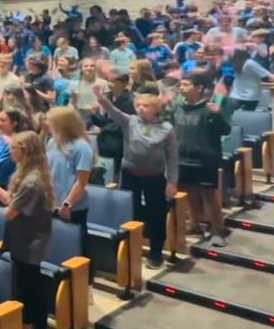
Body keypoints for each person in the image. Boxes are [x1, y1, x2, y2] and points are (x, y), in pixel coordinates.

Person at [0, 131, 54, 329]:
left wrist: (6, 202)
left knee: (33, 291)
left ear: (26, 151)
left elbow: (10, 211)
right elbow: (11, 201)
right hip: (21, 241)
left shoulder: (32, 181)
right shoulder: (24, 173)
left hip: (31, 243)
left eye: (14, 148)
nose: (10, 151)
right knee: (23, 289)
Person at [95, 89, 177, 268]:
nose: (141, 108)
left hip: (155, 176)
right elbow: (114, 112)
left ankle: (156, 252)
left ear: (156, 109)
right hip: (130, 174)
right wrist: (101, 99)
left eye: (146, 106)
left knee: (156, 214)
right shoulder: (130, 121)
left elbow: (172, 157)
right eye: (138, 105)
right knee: (130, 212)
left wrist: (172, 182)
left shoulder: (167, 129)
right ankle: (130, 248)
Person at [174, 72, 230, 247]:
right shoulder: (179, 108)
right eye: (180, 85)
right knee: (188, 194)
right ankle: (195, 224)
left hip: (205, 160)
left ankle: (217, 230)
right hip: (182, 159)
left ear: (199, 88)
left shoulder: (210, 109)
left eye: (185, 84)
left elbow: (225, 130)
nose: (181, 88)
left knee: (208, 196)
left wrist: (219, 114)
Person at [45, 107, 92, 256]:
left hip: (72, 206)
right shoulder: (52, 142)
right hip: (52, 202)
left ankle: (84, 277)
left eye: (50, 121)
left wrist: (67, 204)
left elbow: (81, 181)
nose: (47, 123)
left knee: (78, 248)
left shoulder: (82, 147)